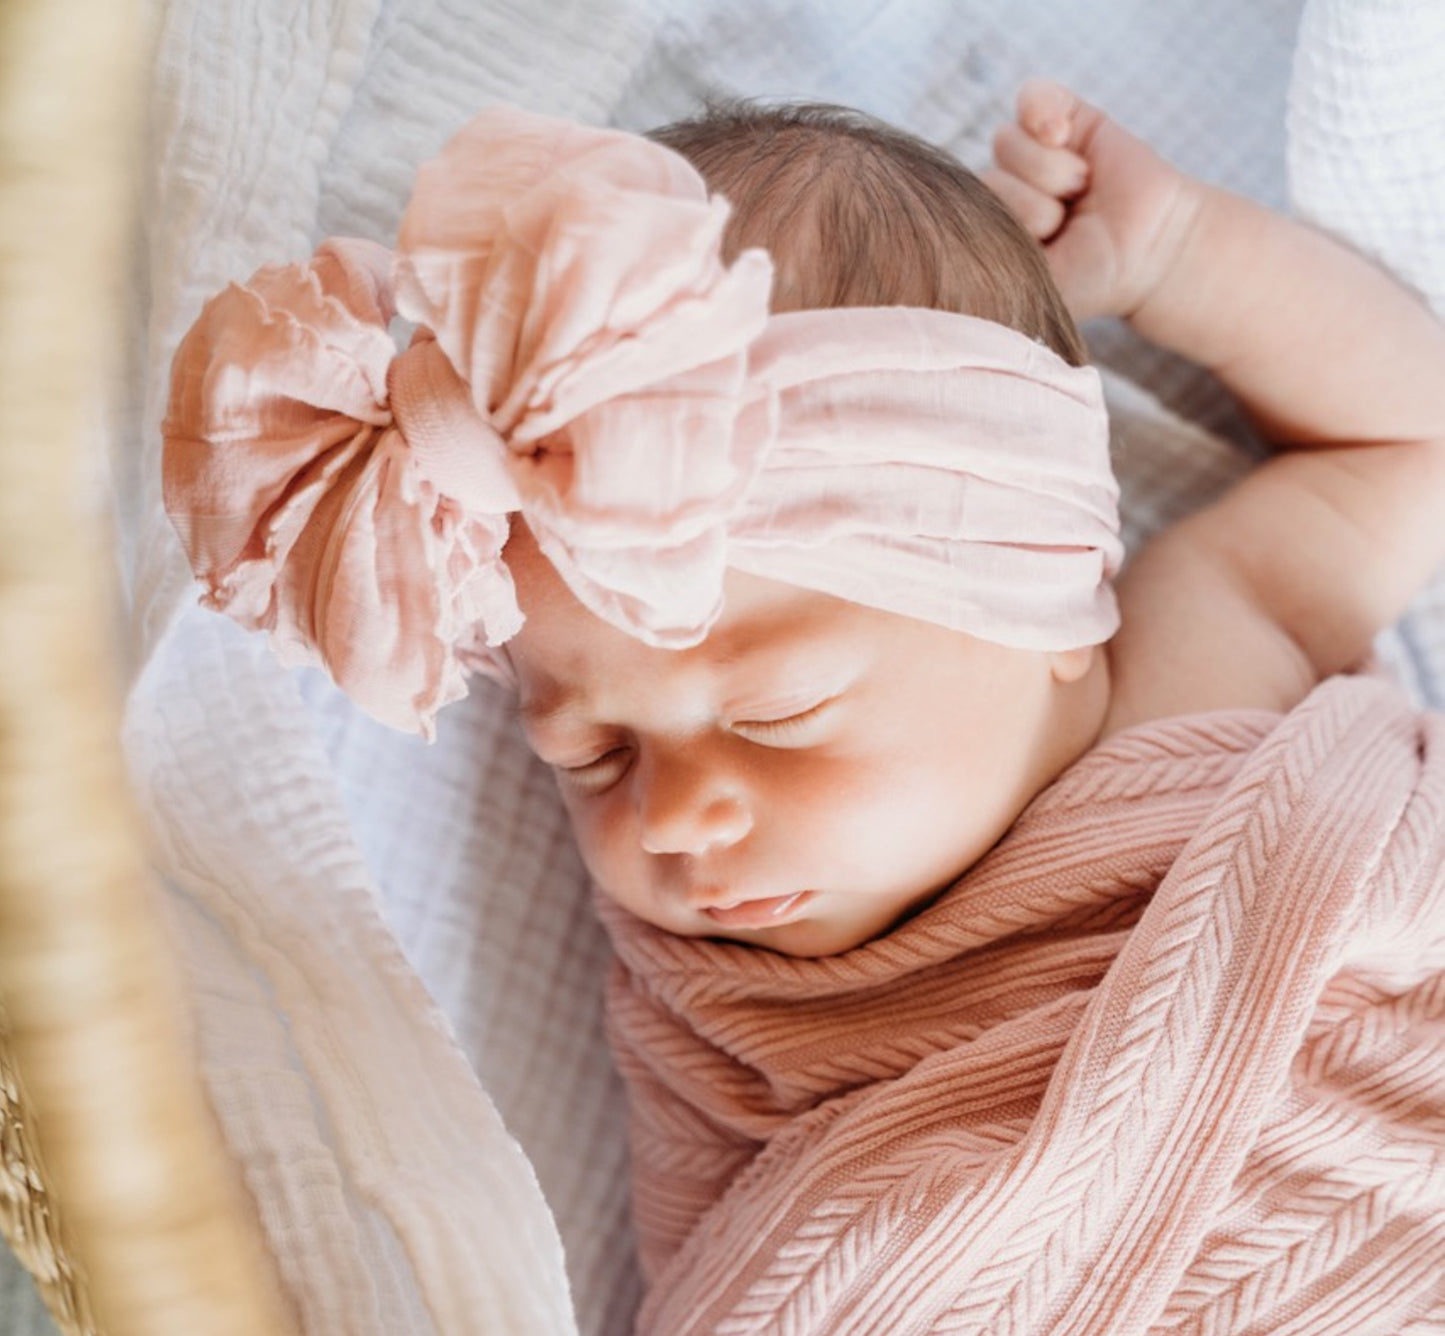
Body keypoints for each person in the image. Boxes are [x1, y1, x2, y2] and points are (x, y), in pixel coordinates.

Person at [162, 82, 1445, 1334]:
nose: (677, 815)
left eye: (774, 713)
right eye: (592, 753)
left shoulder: (1203, 659)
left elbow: (1406, 441)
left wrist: (1177, 253)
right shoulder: (710, 994)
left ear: (1035, 600)